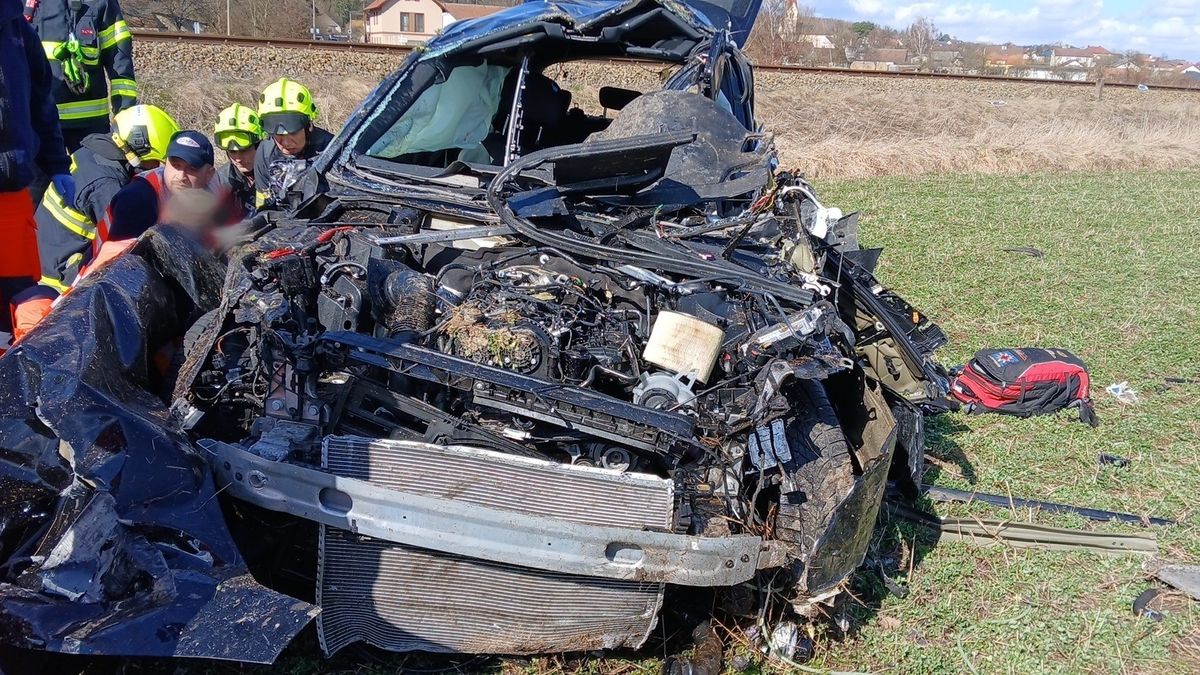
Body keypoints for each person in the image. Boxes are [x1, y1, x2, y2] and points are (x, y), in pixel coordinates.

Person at [9, 131, 238, 342]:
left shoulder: (215, 191)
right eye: (175, 165)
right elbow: (116, 267)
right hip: (110, 271)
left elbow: (231, 238)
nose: (180, 176)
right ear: (165, 162)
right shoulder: (140, 198)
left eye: (191, 169)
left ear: (209, 173)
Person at [33, 103, 178, 295]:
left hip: (49, 254)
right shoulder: (106, 185)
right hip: (62, 276)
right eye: (153, 162)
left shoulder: (95, 152)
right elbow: (126, 241)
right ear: (136, 148)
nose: (155, 168)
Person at [1, 0, 72, 348]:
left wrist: (57, 164)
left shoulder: (17, 28)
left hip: (12, 199)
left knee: (22, 303)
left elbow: (41, 101)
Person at [26, 0, 136, 153]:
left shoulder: (101, 2)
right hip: (36, 123)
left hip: (91, 128)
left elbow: (120, 66)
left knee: (99, 169)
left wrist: (125, 116)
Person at [254, 77, 333, 209]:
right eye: (278, 134)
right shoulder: (265, 152)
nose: (286, 142)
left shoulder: (330, 150)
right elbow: (262, 203)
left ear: (309, 125)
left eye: (293, 132)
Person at [214, 103, 263, 214]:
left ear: (259, 145)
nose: (238, 159)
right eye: (232, 152)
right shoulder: (221, 181)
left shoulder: (278, 173)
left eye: (244, 150)